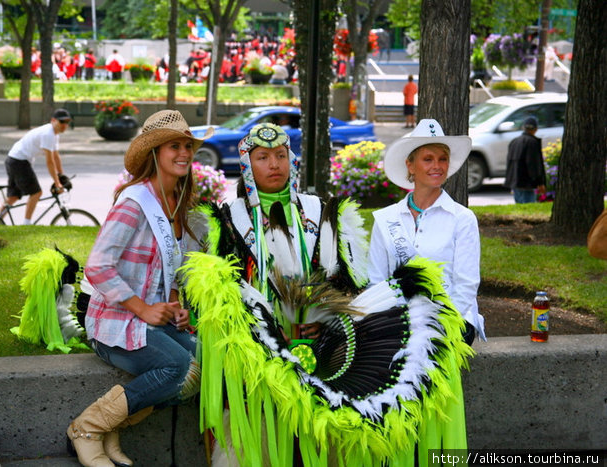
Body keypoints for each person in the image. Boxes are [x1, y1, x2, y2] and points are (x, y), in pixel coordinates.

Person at [181, 123, 473, 466]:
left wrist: (323, 322)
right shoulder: (226, 220)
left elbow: (347, 285)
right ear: (247, 164)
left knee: (325, 433)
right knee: (254, 440)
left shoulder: (322, 213)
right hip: (254, 350)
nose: (274, 164)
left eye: (280, 156)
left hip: (324, 344)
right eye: (262, 157)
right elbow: (218, 297)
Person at [67, 110, 211, 467]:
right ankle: (87, 427)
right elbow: (98, 265)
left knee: (205, 363)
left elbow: (174, 273)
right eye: (174, 146)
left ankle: (112, 424)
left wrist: (176, 305)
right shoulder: (135, 203)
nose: (184, 153)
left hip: (153, 323)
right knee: (177, 365)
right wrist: (142, 307)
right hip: (114, 322)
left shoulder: (180, 205)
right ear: (155, 153)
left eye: (187, 146)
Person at [367, 118, 486, 344]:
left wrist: (439, 323)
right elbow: (376, 282)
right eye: (428, 159)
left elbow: (466, 285)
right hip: (400, 320)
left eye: (443, 159)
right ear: (410, 165)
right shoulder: (385, 219)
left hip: (452, 320)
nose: (437, 166)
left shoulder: (462, 219)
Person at [4, 109, 71, 225]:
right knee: (36, 193)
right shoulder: (48, 134)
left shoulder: (54, 134)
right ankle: (26, 224)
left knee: (14, 196)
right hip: (19, 161)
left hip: (14, 159)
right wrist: (57, 183)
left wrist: (61, 175)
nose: (65, 125)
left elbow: (56, 156)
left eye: (67, 122)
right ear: (53, 121)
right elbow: (50, 161)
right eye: (62, 122)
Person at [503, 116, 546, 204]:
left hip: (515, 182)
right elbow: (533, 164)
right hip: (527, 184)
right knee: (529, 207)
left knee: (519, 208)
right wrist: (540, 183)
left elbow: (509, 162)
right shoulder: (532, 142)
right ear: (536, 129)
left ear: (523, 127)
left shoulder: (514, 142)